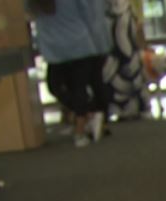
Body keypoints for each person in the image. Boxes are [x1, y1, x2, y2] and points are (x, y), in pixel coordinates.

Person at [31, 0, 113, 148]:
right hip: (68, 46)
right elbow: (90, 14)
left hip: (68, 47)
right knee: (66, 87)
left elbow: (90, 15)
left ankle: (81, 127)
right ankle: (87, 118)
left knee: (70, 88)